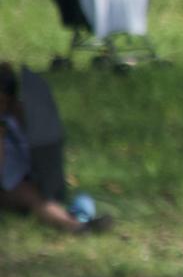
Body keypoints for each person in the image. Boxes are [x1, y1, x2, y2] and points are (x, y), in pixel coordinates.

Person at [0, 62, 110, 233]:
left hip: (25, 176)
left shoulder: (18, 115)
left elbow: (41, 144)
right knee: (33, 198)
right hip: (7, 186)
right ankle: (74, 226)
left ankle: (73, 217)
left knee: (42, 194)